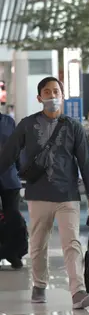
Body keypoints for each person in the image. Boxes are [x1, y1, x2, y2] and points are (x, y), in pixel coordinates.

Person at [0, 76, 89, 309]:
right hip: (38, 194)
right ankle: (39, 285)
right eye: (47, 92)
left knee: (72, 243)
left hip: (67, 195)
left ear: (63, 96)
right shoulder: (27, 125)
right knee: (38, 243)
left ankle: (77, 292)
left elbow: (86, 162)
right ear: (39, 97)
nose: (52, 96)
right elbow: (7, 155)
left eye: (56, 91)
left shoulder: (73, 126)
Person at [0, 111, 23, 268]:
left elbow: (17, 147)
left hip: (9, 177)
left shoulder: (9, 121)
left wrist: (21, 170)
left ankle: (13, 254)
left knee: (13, 217)